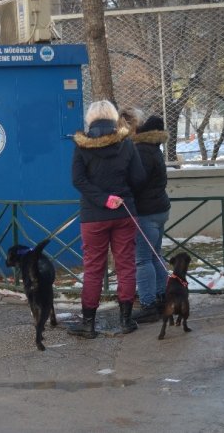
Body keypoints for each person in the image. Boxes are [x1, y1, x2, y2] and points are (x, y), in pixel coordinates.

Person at [68, 100, 146, 338]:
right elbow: (139, 177)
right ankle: (125, 320)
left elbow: (78, 180)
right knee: (125, 265)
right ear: (114, 118)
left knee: (93, 269)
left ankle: (88, 324)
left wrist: (102, 199)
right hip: (124, 212)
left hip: (93, 216)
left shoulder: (81, 145)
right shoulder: (127, 144)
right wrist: (119, 196)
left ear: (90, 120)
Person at [126, 112, 171, 324]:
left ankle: (148, 304)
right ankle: (163, 297)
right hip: (160, 209)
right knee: (156, 256)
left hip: (146, 212)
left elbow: (138, 181)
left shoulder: (142, 150)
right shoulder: (155, 149)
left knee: (142, 259)